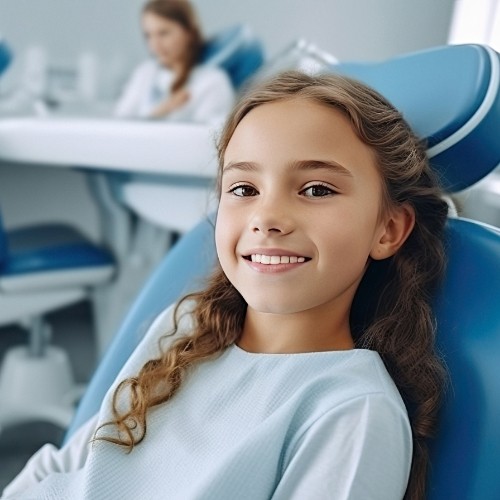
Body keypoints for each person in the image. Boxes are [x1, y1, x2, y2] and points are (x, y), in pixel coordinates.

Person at [2, 71, 449, 500]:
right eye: (243, 188)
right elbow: (69, 466)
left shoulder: (351, 413)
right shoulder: (185, 330)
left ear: (388, 229)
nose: (267, 218)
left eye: (315, 190)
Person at [114, 0, 235, 125]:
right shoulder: (144, 72)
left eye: (163, 33)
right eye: (148, 35)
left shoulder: (213, 82)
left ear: (189, 32)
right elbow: (119, 125)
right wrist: (160, 111)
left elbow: (209, 138)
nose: (155, 45)